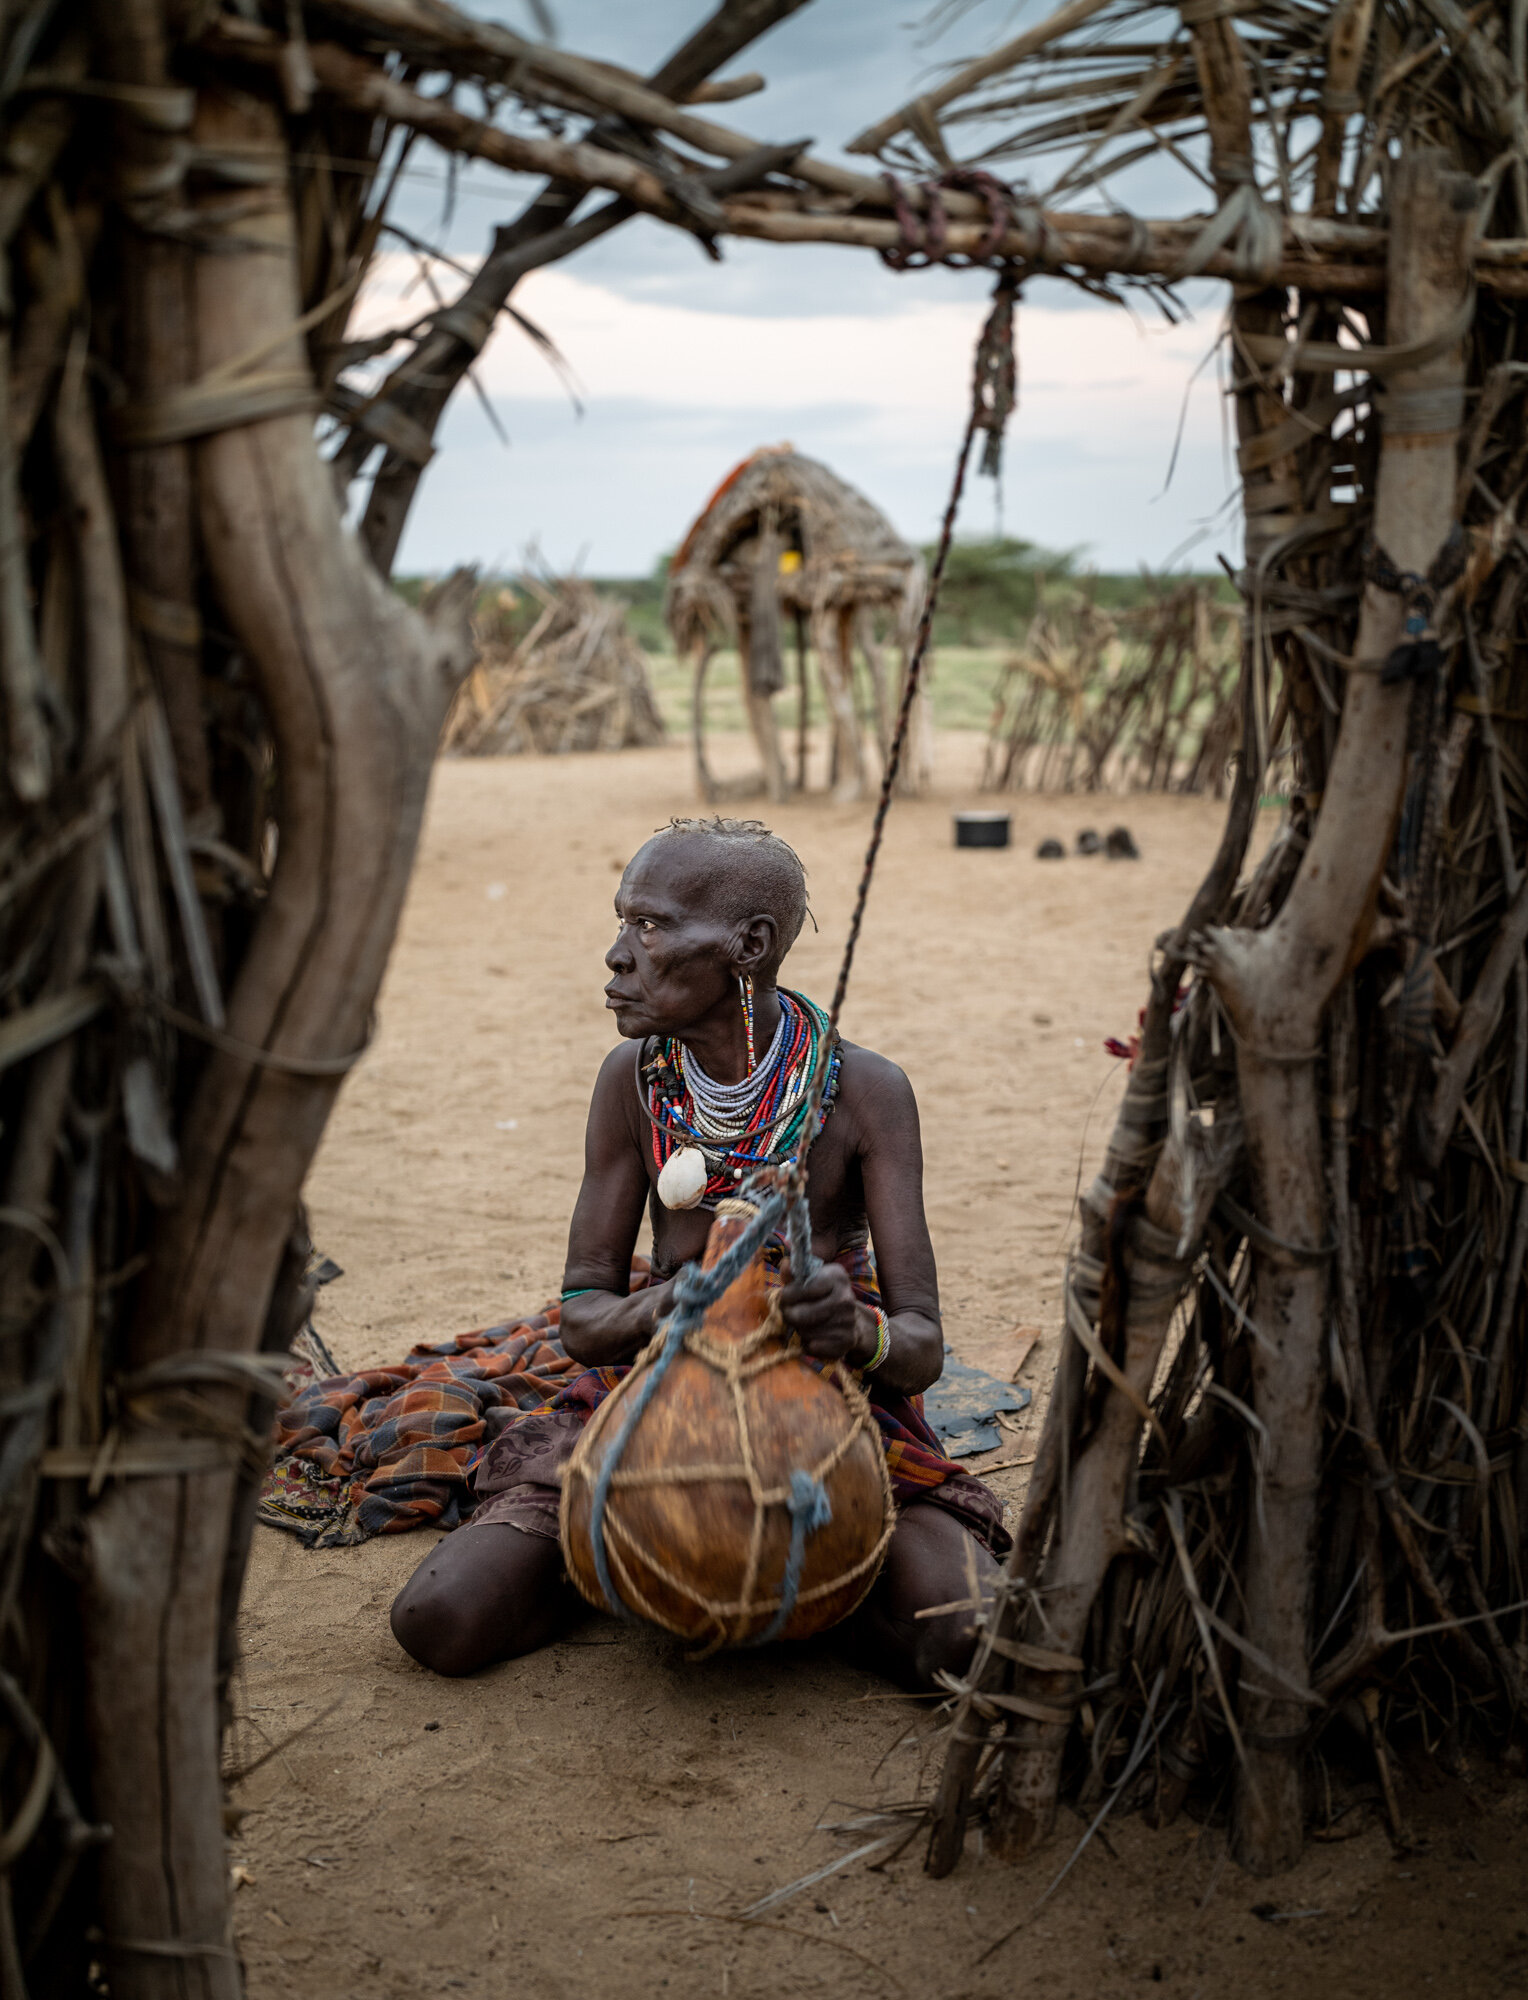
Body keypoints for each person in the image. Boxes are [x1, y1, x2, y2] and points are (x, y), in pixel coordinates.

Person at [390, 817, 1008, 1684]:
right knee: (439, 1621)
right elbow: (583, 1313)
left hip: (833, 1412)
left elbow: (920, 1348)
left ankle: (810, 1574)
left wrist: (853, 1330)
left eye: (648, 926)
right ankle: (635, 1549)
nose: (615, 955)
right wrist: (661, 1309)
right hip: (650, 1391)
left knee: (966, 1642)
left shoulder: (865, 1094)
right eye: (621, 922)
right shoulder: (635, 1083)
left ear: (748, 946)